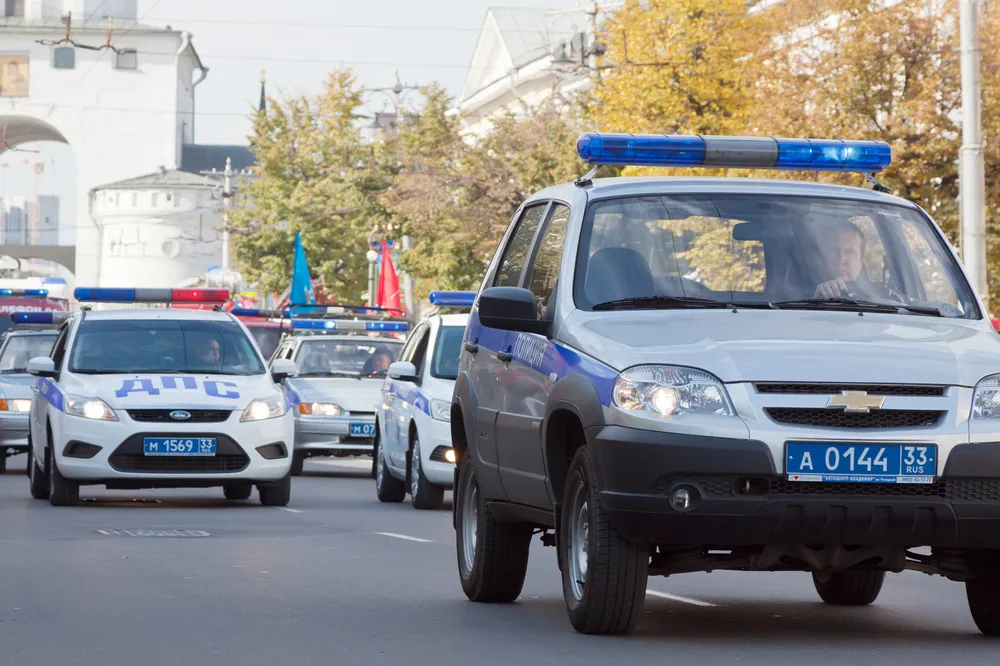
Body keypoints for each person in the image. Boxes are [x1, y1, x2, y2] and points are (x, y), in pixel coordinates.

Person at [812, 220, 897, 301]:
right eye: (833, 251)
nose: (841, 259)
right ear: (820, 260)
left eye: (849, 252)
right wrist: (816, 301)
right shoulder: (801, 297)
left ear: (861, 261)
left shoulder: (885, 298)